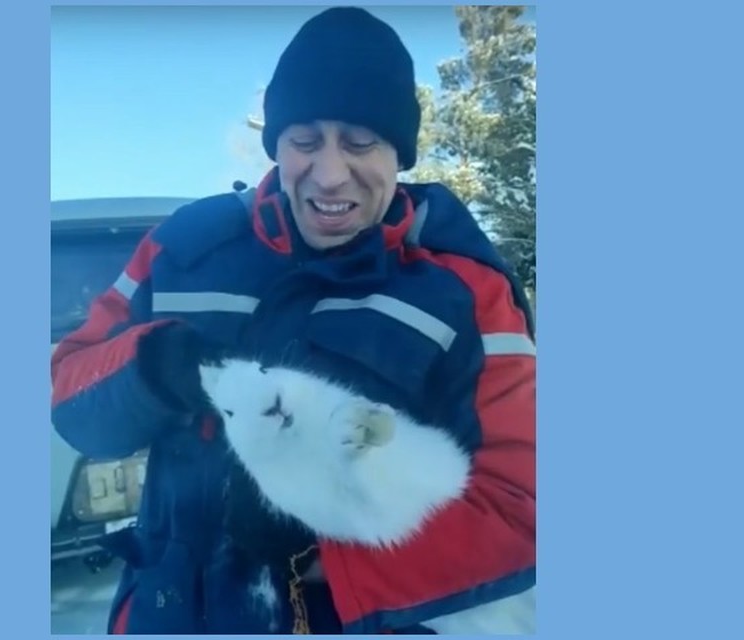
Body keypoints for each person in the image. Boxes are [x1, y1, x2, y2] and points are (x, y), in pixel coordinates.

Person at [51, 6, 536, 635]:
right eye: (305, 141)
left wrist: (321, 553)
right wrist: (151, 368)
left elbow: (522, 511)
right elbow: (69, 401)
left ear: (399, 153)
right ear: (276, 144)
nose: (329, 174)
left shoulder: (466, 289)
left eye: (360, 142)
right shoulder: (182, 249)